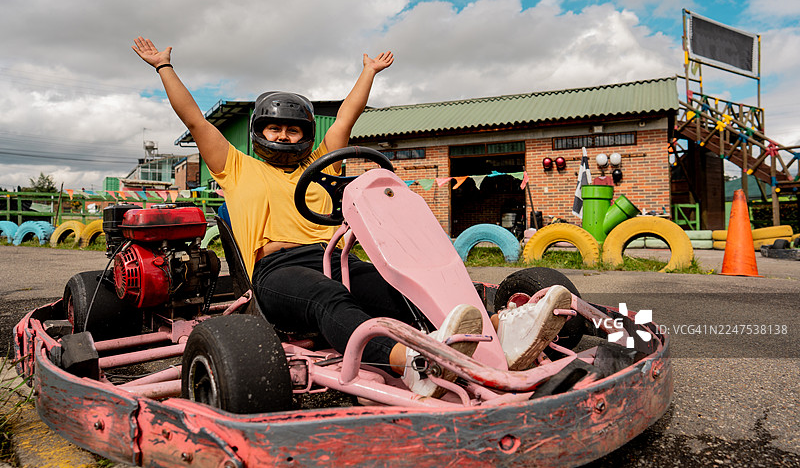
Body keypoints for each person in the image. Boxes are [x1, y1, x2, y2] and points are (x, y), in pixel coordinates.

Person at [131, 37, 572, 398]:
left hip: (335, 257)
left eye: (295, 130)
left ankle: (493, 339)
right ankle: (410, 362)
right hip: (277, 270)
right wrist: (163, 68)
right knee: (329, 300)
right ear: (259, 133)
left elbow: (347, 116)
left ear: (307, 137)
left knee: (403, 288)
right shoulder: (235, 166)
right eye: (275, 129)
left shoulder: (320, 166)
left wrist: (368, 72)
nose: (285, 136)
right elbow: (192, 116)